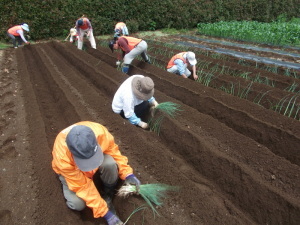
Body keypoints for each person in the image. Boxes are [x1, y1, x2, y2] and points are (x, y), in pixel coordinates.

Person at [52, 121, 141, 225]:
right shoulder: (63, 157)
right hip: (72, 176)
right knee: (77, 204)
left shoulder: (100, 133)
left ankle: (108, 194)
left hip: (87, 166)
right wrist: (106, 213)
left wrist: (128, 174)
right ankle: (68, 185)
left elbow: (114, 152)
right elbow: (82, 186)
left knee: (110, 164)